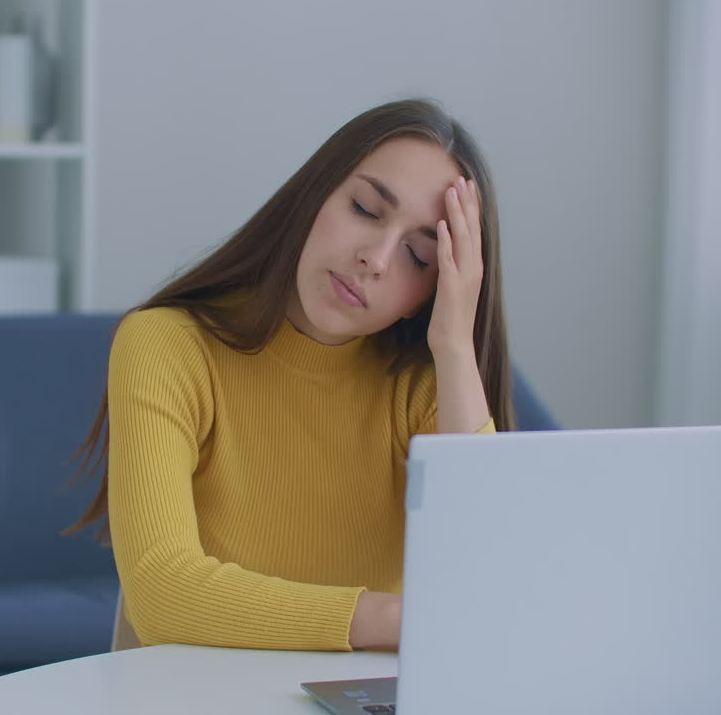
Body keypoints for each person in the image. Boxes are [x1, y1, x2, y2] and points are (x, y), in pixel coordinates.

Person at [65, 98, 515, 652]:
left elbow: (488, 588)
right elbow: (162, 592)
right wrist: (396, 619)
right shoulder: (168, 346)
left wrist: (453, 344)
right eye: (366, 209)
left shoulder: (425, 388)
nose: (375, 258)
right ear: (314, 194)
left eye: (418, 258)